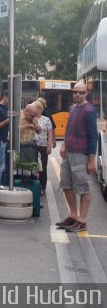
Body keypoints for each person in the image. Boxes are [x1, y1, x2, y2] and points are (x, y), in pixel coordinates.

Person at [55, 81, 98, 233]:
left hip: (82, 154)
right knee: (66, 184)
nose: (77, 95)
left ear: (86, 93)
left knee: (83, 188)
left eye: (81, 92)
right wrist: (64, 144)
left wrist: (91, 160)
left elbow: (93, 136)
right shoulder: (72, 108)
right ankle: (73, 216)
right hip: (69, 153)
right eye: (75, 92)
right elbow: (68, 129)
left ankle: (82, 220)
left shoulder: (89, 110)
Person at [33, 100, 54, 195]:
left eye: (35, 108)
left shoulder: (46, 119)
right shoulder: (31, 118)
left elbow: (50, 134)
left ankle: (42, 186)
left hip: (42, 146)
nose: (34, 110)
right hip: (32, 146)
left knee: (42, 167)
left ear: (40, 109)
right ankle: (33, 184)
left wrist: (49, 146)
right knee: (32, 166)